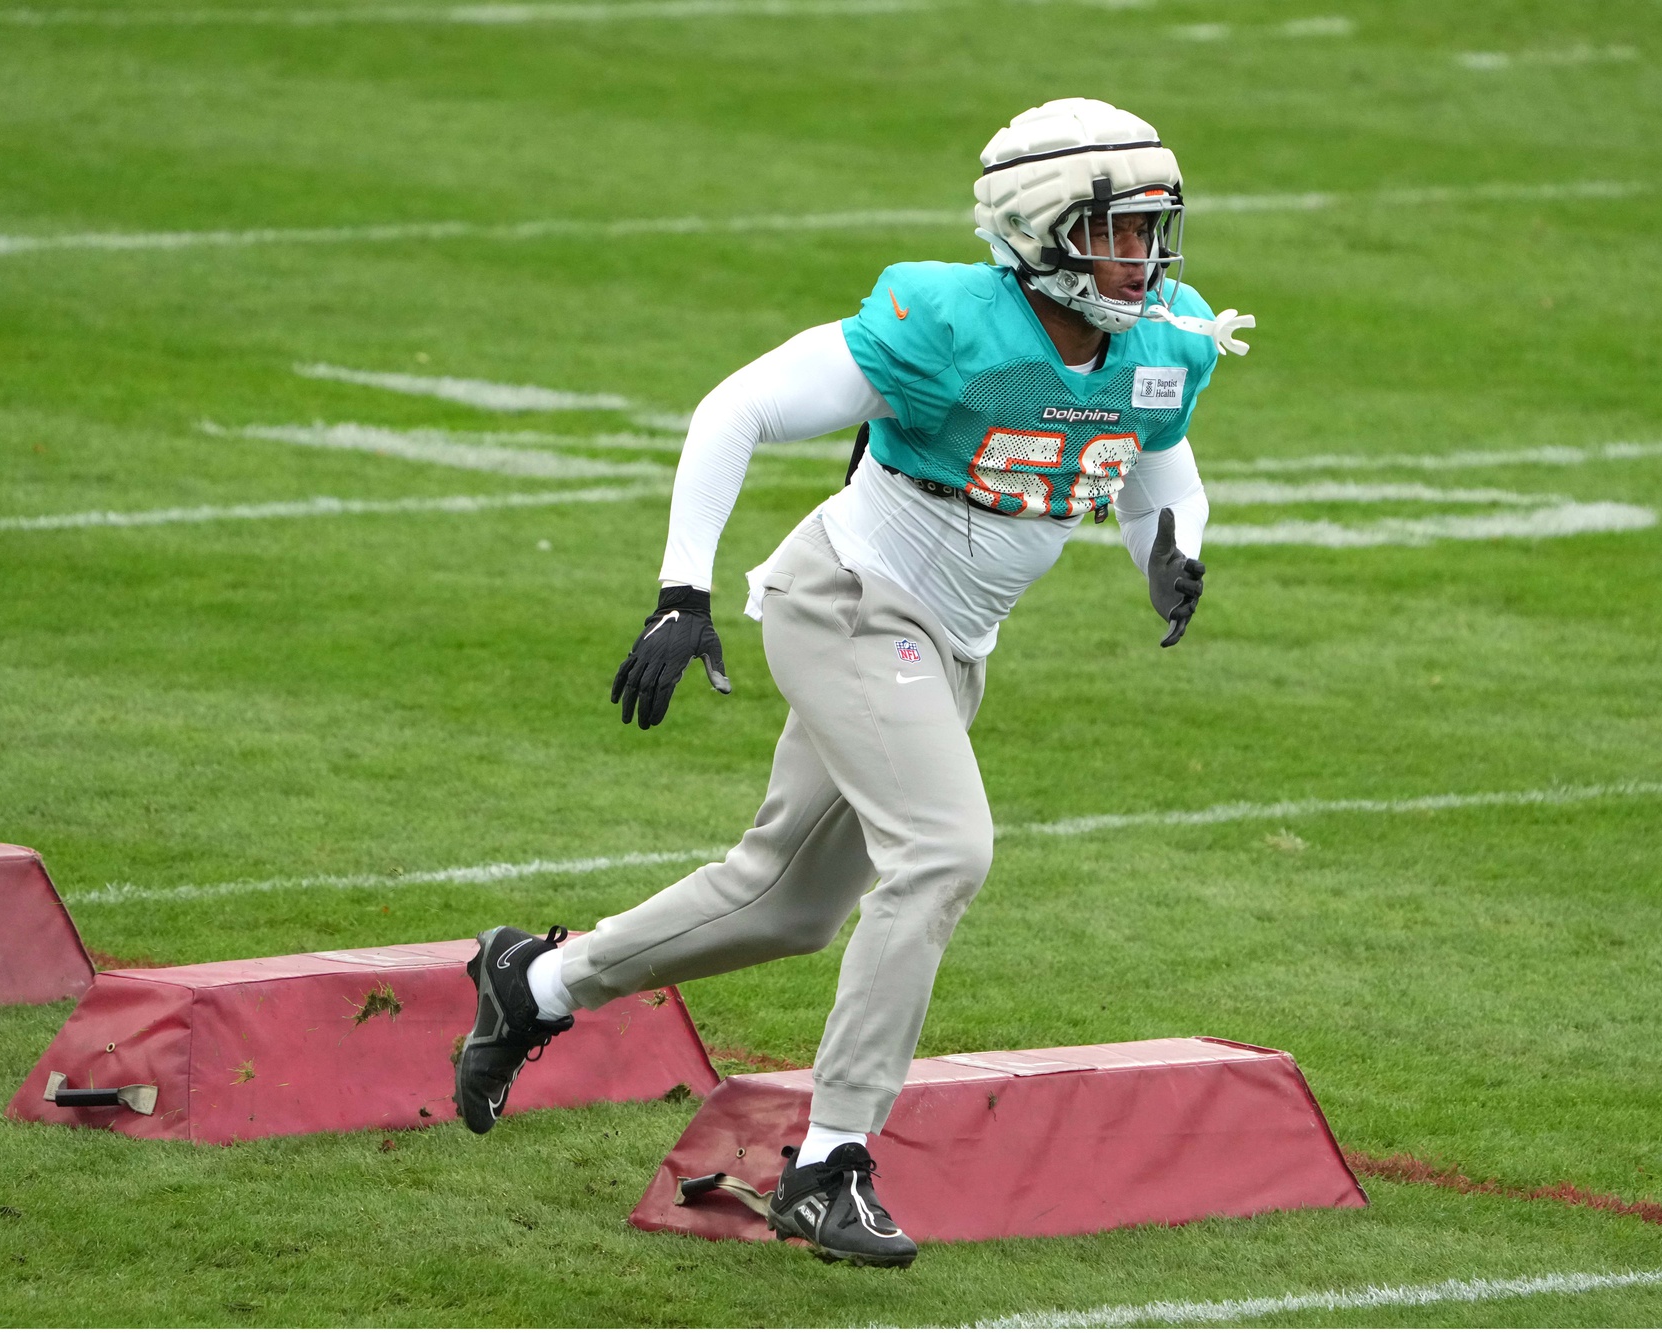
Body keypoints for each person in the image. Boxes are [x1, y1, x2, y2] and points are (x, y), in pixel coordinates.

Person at [453, 97, 1253, 1267]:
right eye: (1119, 230)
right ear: (1042, 228)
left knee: (784, 903)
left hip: (944, 644)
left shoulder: (1159, 340)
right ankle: (827, 1161)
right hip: (852, 604)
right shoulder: (946, 320)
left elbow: (1152, 471)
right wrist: (683, 589)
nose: (1146, 257)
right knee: (943, 850)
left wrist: (1169, 552)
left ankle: (539, 981)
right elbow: (737, 408)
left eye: (1151, 231)